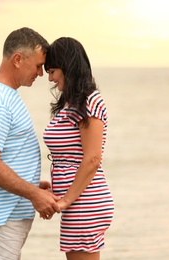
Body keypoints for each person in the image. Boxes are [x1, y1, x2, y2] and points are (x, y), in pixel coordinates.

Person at [0, 27, 61, 260]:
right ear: (18, 59)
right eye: (38, 65)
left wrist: (31, 183)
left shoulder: (4, 94)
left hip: (6, 213)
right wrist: (34, 194)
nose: (41, 74)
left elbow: (4, 157)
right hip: (2, 217)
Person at [43, 37, 115, 260]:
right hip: (78, 203)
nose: (50, 78)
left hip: (85, 203)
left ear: (68, 66)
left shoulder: (90, 101)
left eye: (53, 70)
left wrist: (66, 200)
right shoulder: (69, 103)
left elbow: (92, 158)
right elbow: (70, 157)